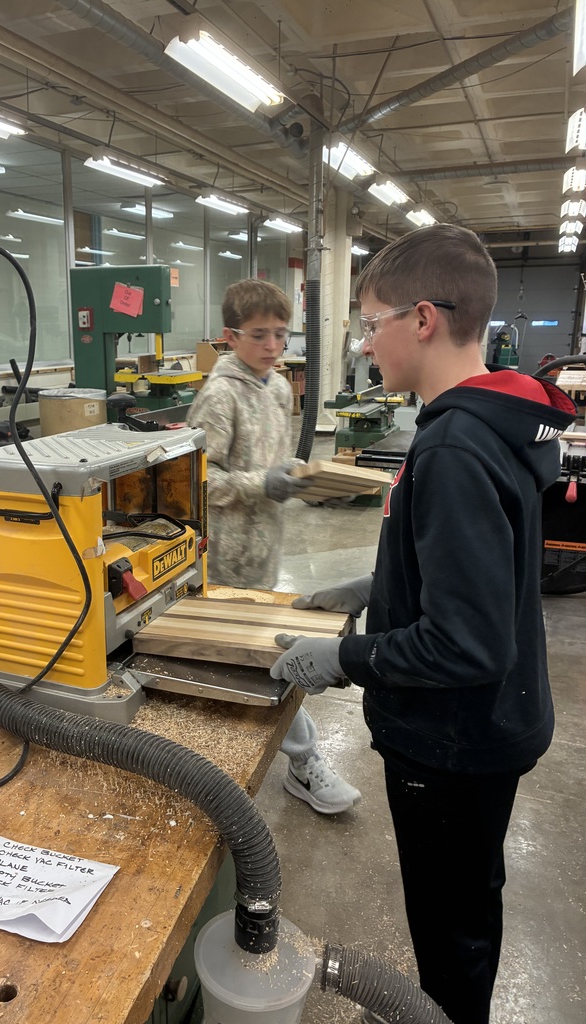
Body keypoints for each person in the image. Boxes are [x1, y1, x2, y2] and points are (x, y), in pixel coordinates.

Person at [270, 225, 577, 1024]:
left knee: (449, 932)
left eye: (371, 323)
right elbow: (484, 567)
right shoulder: (498, 420)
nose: (367, 346)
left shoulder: (454, 446)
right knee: (469, 906)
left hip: (452, 739)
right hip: (492, 721)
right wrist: (377, 583)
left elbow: (466, 643)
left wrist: (345, 657)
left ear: (423, 319)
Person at [187, 278, 361, 815]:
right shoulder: (219, 396)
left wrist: (300, 479)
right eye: (259, 335)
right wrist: (264, 484)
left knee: (250, 657)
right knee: (253, 657)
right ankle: (303, 761)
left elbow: (274, 466)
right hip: (220, 555)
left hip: (265, 550)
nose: (271, 346)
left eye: (281, 336)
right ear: (229, 336)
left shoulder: (278, 387)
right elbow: (196, 482)